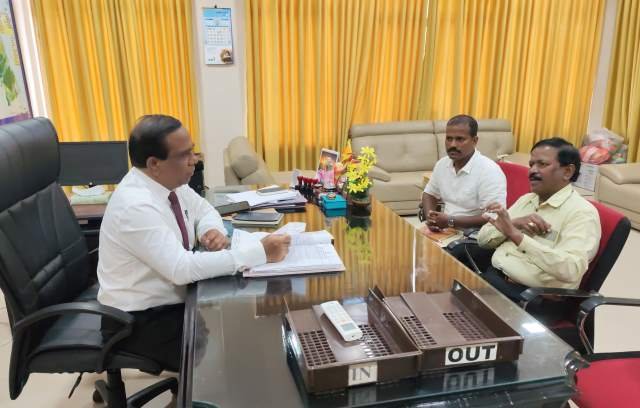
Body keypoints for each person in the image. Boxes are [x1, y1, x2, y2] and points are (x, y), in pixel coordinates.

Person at [97, 114, 291, 371]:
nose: (194, 160)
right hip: (137, 320)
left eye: (193, 150)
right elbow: (181, 269)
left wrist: (210, 229)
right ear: (154, 163)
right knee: (237, 351)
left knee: (240, 322)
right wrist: (259, 252)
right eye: (184, 155)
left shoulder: (168, 183)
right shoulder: (135, 206)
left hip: (172, 300)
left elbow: (204, 209)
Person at [475, 137, 601, 301]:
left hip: (530, 298)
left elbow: (571, 269)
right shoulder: (527, 199)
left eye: (542, 164)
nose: (532, 171)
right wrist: (514, 224)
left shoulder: (582, 213)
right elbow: (482, 241)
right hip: (494, 279)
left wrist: (516, 236)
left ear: (567, 172)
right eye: (531, 164)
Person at [421, 114, 506, 231]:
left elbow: (494, 217)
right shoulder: (442, 164)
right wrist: (430, 218)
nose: (452, 145)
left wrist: (450, 221)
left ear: (474, 141)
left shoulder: (489, 170)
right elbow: (429, 193)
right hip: (445, 229)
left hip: (475, 234)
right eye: (449, 139)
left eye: (460, 139)